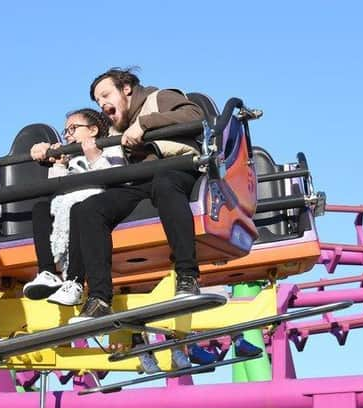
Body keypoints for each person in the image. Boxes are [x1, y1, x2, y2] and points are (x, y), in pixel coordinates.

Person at [68, 68, 262, 359]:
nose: (102, 105)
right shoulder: (116, 128)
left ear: (127, 90)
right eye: (98, 101)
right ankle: (98, 297)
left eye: (105, 96)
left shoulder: (161, 98)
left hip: (179, 169)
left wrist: (145, 124)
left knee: (165, 182)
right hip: (139, 181)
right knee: (87, 208)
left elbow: (195, 117)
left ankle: (187, 276)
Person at [22, 108, 124, 306]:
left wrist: (94, 156)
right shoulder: (71, 156)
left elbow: (116, 177)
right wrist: (59, 165)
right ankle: (47, 271)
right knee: (42, 208)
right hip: (66, 201)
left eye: (73, 129)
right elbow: (56, 188)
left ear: (93, 130)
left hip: (95, 201)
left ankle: (75, 280)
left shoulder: (109, 147)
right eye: (66, 131)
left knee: (80, 209)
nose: (68, 135)